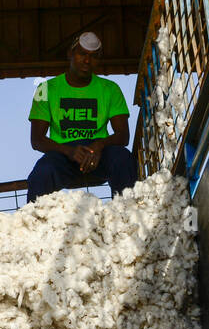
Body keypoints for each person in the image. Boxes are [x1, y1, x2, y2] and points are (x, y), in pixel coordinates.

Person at [26, 31, 137, 203]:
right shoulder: (45, 89)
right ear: (70, 54)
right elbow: (37, 140)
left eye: (93, 56)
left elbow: (123, 136)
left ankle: (127, 215)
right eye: (82, 54)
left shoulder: (110, 88)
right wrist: (69, 151)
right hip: (62, 154)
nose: (87, 60)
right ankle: (35, 224)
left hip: (100, 153)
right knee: (41, 173)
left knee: (123, 159)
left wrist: (98, 146)